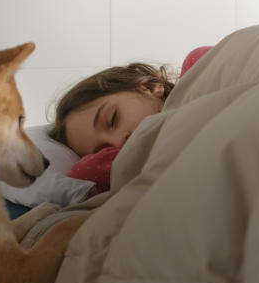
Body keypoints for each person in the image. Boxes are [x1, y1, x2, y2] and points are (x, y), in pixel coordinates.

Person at [49, 46, 211, 192]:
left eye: (113, 120)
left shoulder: (197, 66)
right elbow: (85, 173)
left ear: (149, 87)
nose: (118, 141)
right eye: (103, 150)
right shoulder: (151, 159)